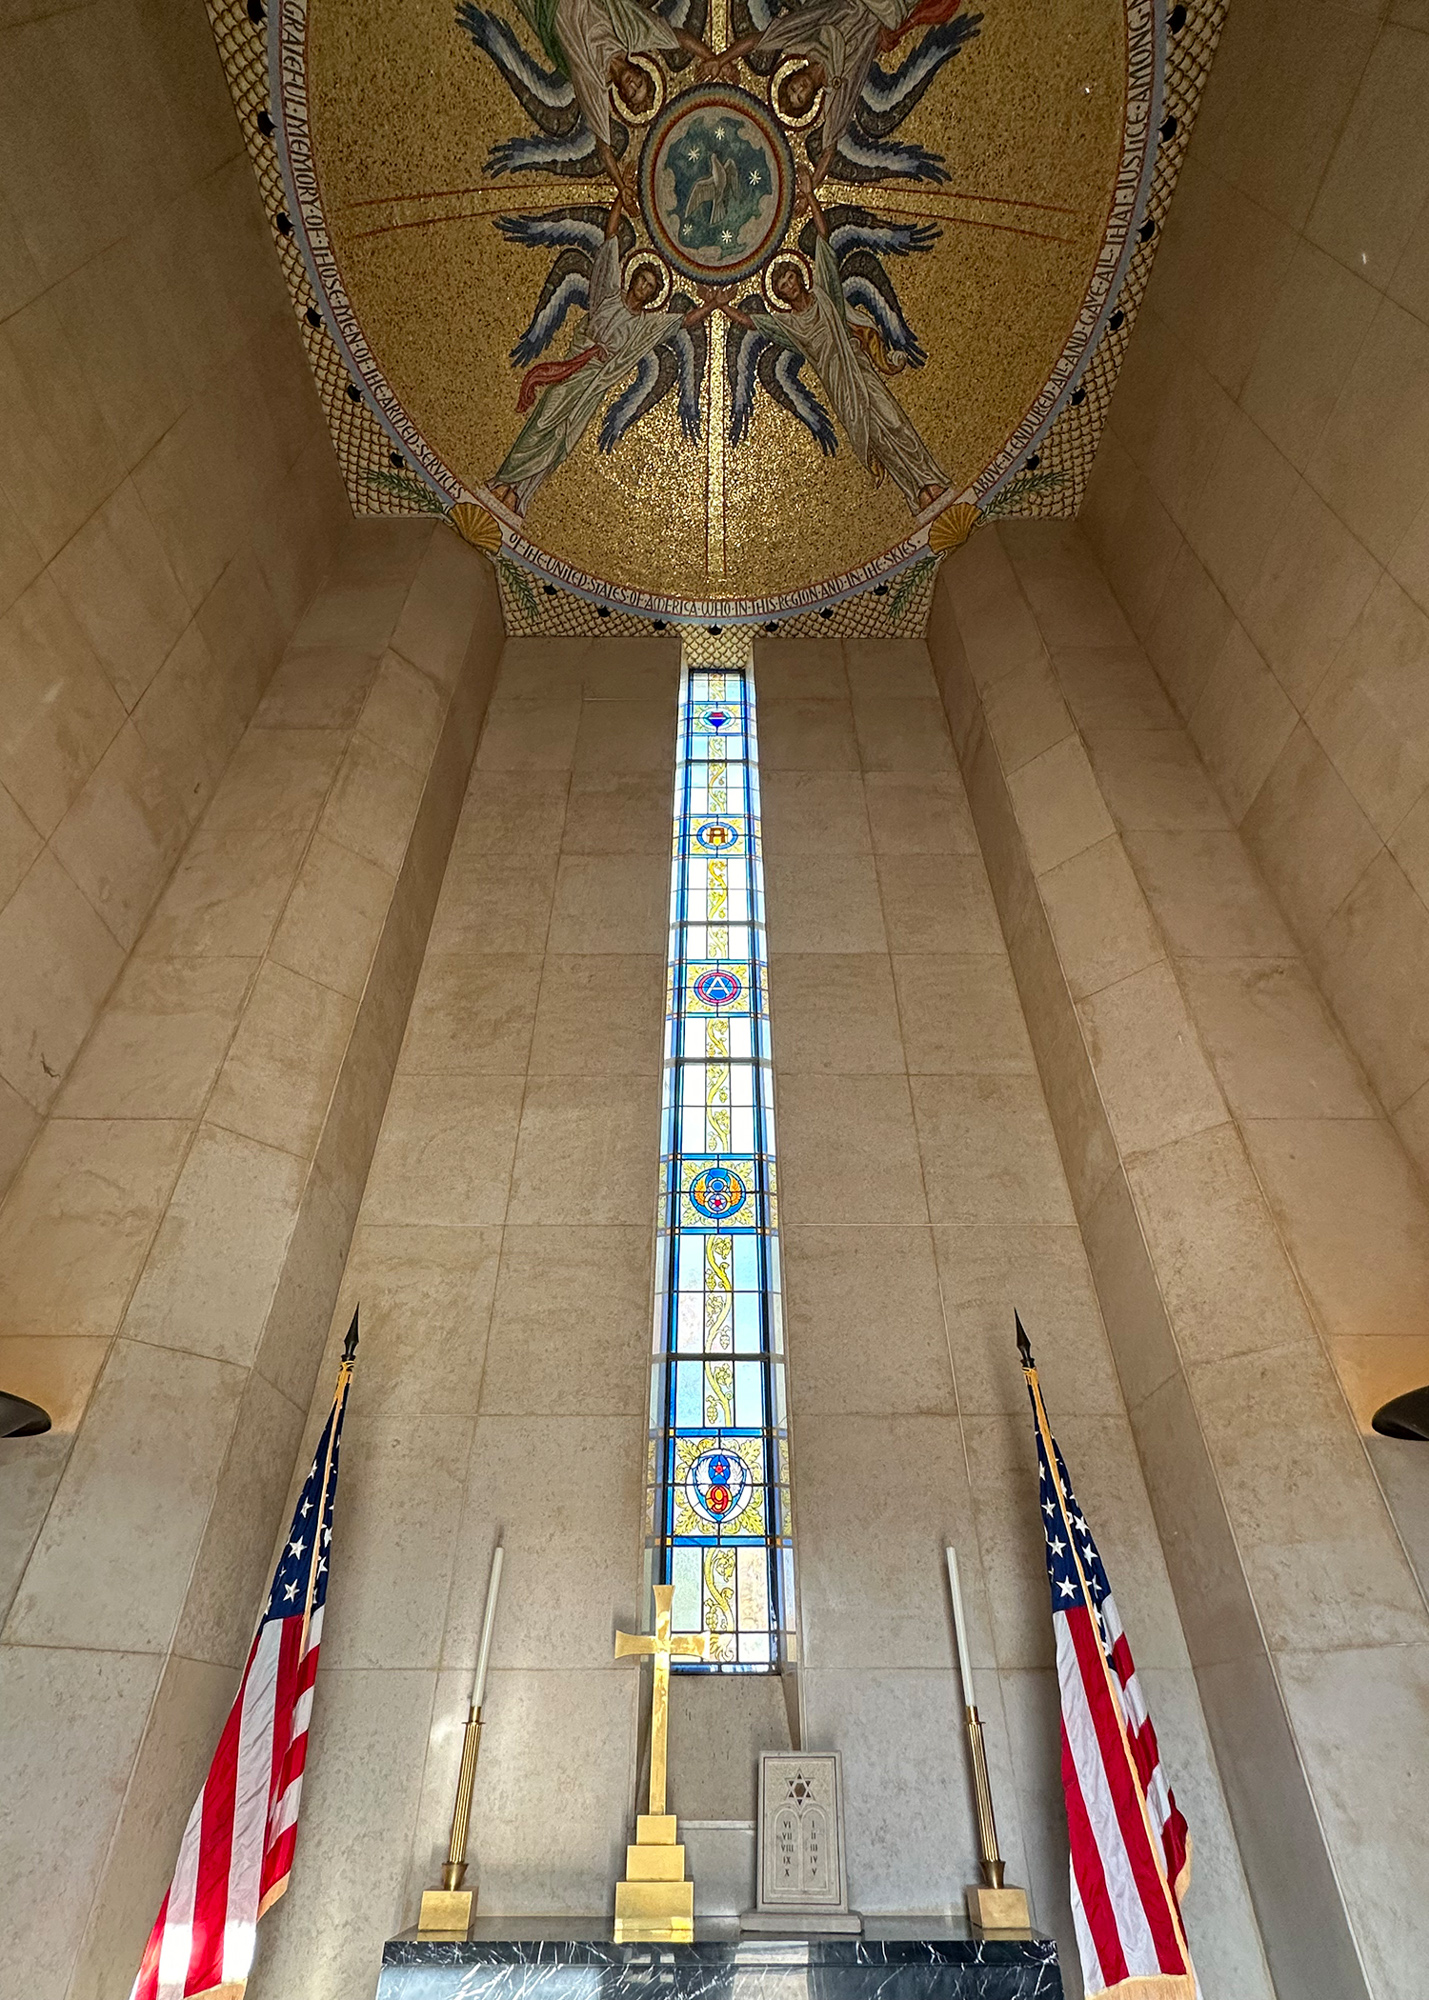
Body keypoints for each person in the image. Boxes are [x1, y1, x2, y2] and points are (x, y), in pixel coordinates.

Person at [489, 196, 718, 516]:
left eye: (651, 288)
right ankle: (503, 480)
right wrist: (621, 199)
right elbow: (609, 242)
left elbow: (681, 322)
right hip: (572, 371)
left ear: (653, 295)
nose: (645, 289)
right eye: (643, 281)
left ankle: (520, 495)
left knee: (562, 438)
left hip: (592, 385)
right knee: (542, 421)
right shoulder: (608, 293)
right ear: (633, 279)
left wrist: (711, 304)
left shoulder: (644, 326)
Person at [721, 191, 944, 512]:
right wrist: (721, 305)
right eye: (782, 284)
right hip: (839, 386)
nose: (789, 284)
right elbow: (755, 324)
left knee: (893, 420)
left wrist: (811, 196)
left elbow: (824, 242)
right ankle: (916, 492)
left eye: (790, 277)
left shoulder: (826, 297)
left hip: (859, 367)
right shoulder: (789, 326)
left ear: (800, 276)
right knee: (874, 436)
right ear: (779, 294)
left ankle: (930, 476)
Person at [720, 0, 963, 184]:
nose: (800, 89)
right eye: (800, 97)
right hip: (888, 12)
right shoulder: (838, 87)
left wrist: (721, 59)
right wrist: (813, 185)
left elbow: (757, 40)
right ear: (810, 102)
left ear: (792, 75)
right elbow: (829, 149)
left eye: (793, 88)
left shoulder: (805, 40)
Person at [552, 0, 712, 191]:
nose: (632, 85)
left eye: (632, 92)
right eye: (639, 83)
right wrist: (712, 58)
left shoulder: (593, 84)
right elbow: (678, 38)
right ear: (640, 71)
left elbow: (604, 147)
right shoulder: (629, 36)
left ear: (622, 95)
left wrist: (621, 186)